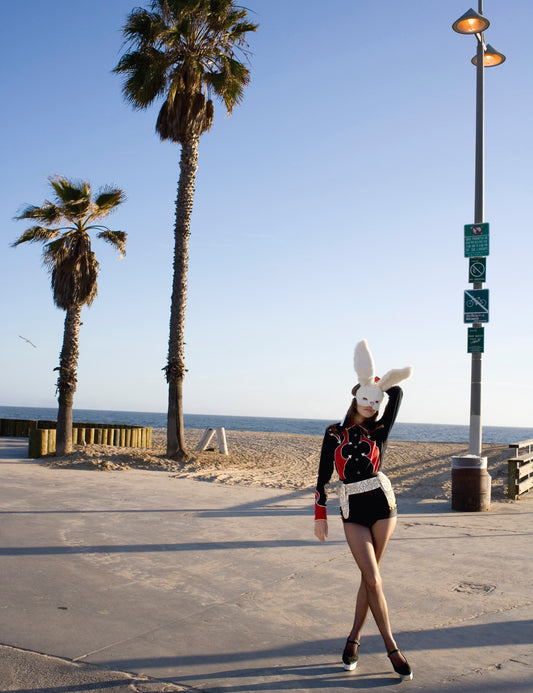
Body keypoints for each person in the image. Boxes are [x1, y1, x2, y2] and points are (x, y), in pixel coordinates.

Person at [314, 340, 413, 681]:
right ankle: (391, 647)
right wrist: (319, 516)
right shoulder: (334, 433)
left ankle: (353, 640)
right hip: (351, 508)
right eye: (366, 398)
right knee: (371, 578)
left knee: (370, 578)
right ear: (355, 397)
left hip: (383, 506)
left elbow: (397, 395)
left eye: (375, 401)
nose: (372, 405)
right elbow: (323, 476)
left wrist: (380, 383)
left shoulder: (380, 428)